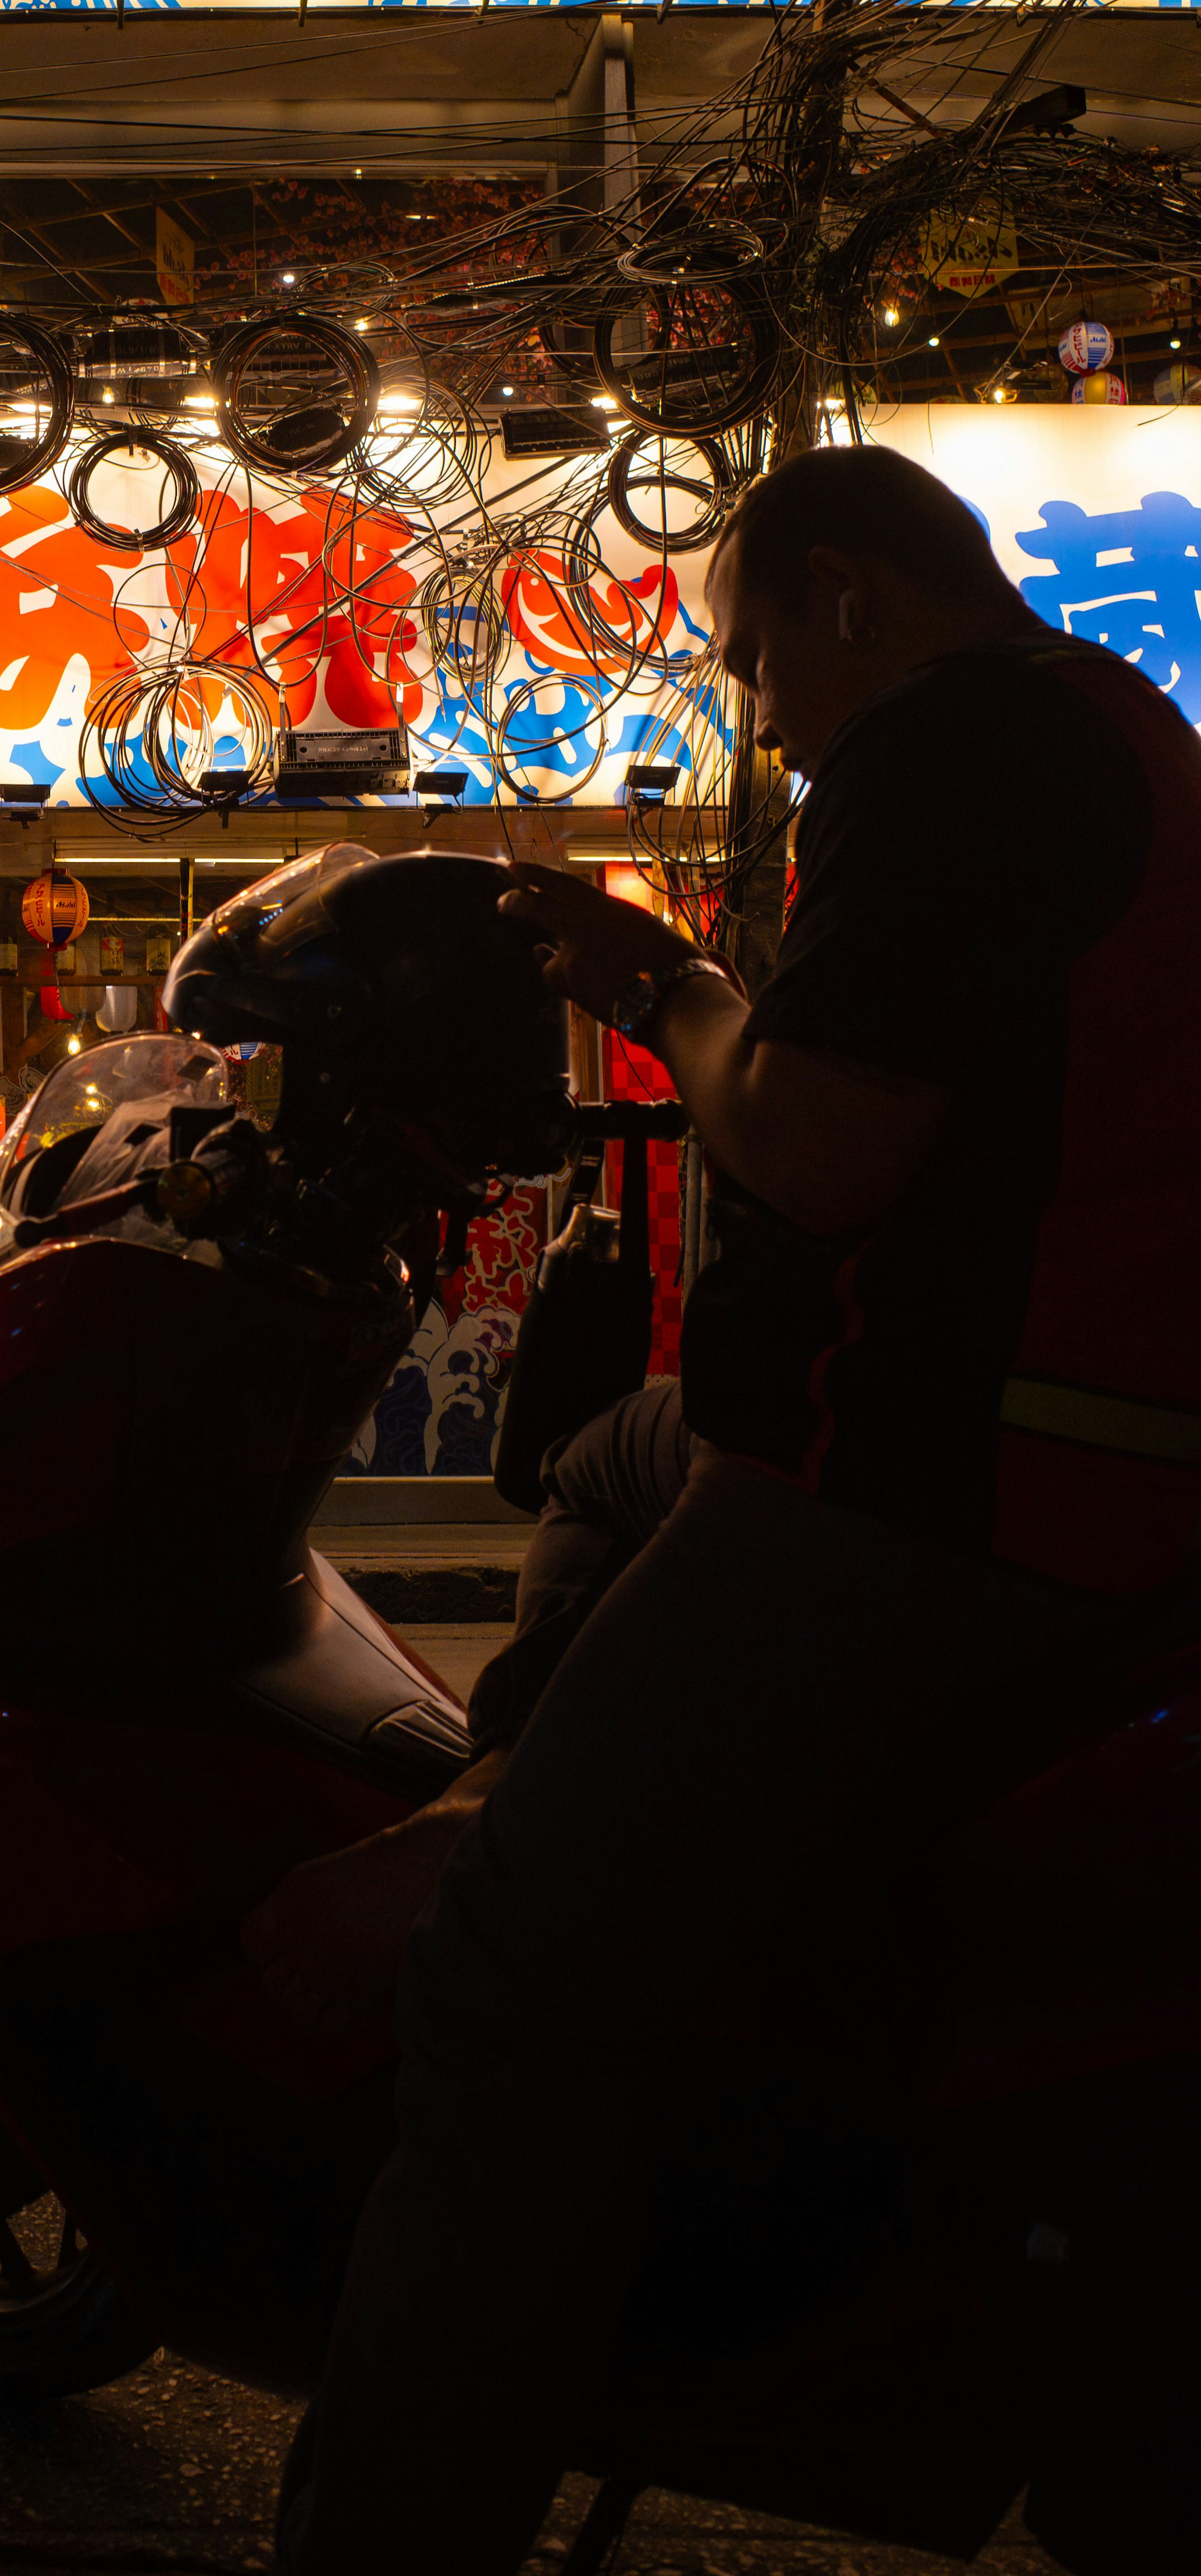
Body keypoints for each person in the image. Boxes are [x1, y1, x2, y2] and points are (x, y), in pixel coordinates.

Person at [245, 442, 1201, 2576]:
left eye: (764, 657)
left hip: (948, 1473)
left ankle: (387, 2542)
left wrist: (665, 993)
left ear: (856, 599)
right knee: (607, 1461)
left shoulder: (955, 756)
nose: (762, 717)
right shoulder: (1105, 730)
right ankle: (560, 1791)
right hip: (962, 1425)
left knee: (502, 1998)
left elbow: (826, 1145)